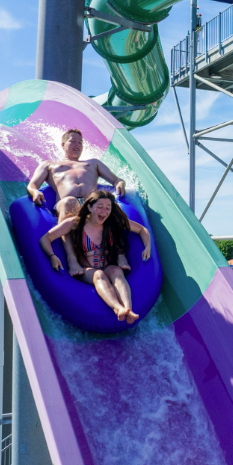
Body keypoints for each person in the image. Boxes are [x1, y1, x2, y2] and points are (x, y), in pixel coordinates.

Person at [39, 189, 151, 324]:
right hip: (86, 270)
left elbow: (142, 229)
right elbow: (45, 239)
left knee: (116, 271)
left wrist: (148, 246)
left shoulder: (113, 222)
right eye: (100, 207)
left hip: (108, 265)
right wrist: (52, 256)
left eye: (107, 208)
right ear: (89, 207)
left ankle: (128, 309)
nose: (104, 212)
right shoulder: (75, 223)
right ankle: (117, 308)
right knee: (98, 275)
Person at [27, 129, 129, 275]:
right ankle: (72, 258)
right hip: (66, 204)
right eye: (73, 141)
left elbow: (116, 179)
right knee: (70, 202)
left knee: (107, 206)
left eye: (80, 142)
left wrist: (119, 184)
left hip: (92, 206)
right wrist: (35, 191)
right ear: (63, 145)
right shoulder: (50, 165)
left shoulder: (93, 163)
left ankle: (120, 254)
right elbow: (32, 185)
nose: (77, 145)